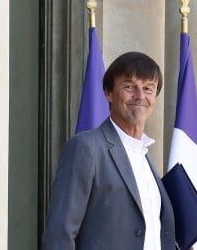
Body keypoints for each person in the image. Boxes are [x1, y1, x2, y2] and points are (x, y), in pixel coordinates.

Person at [42, 51, 176, 250]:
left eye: (148, 88)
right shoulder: (86, 148)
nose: (140, 96)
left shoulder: (145, 157)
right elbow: (59, 233)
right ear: (108, 92)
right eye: (129, 86)